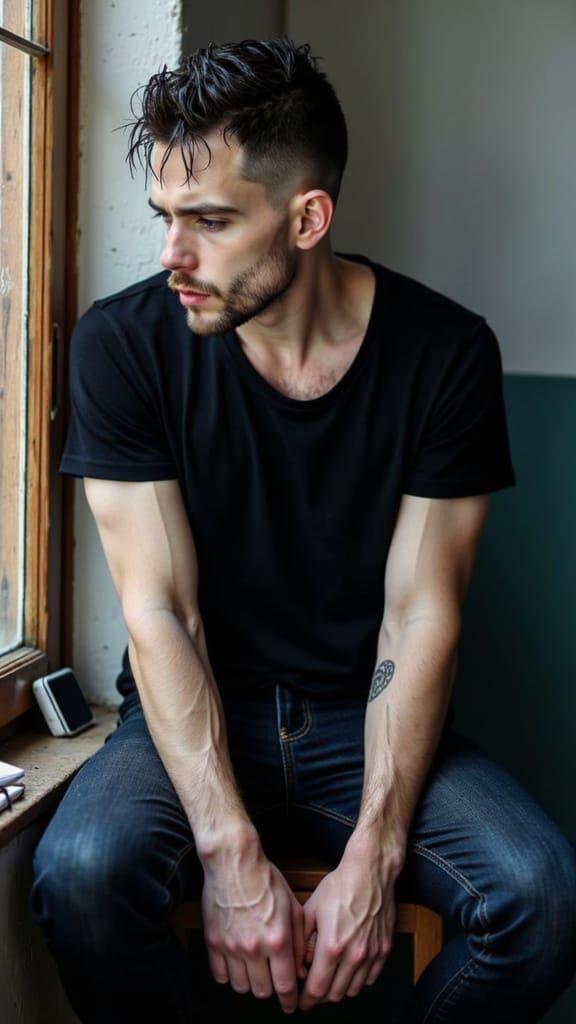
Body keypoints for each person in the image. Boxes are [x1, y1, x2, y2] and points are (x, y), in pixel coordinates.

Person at [31, 37, 576, 1024]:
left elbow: (419, 619)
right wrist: (230, 849)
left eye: (209, 222)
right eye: (165, 217)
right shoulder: (122, 345)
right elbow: (162, 612)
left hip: (359, 721)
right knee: (80, 871)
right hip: (191, 709)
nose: (170, 256)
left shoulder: (443, 353)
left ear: (308, 217)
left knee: (539, 895)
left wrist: (376, 849)